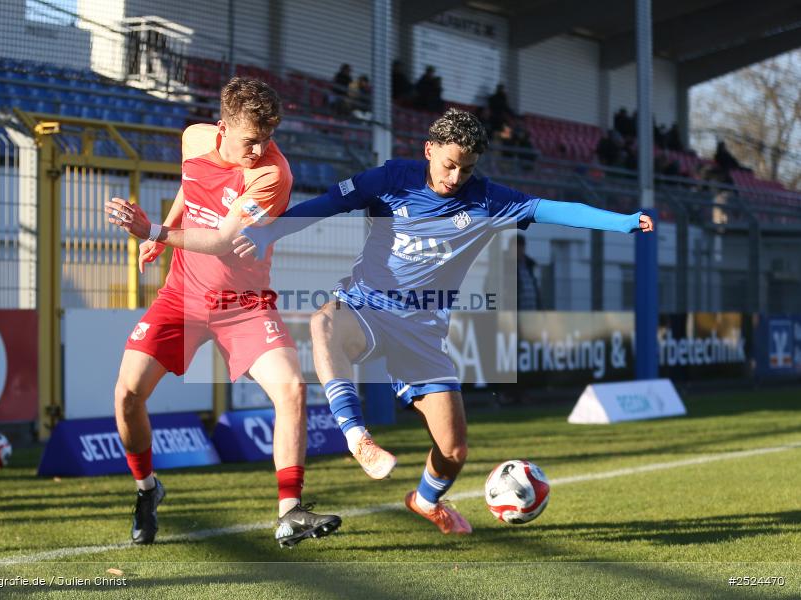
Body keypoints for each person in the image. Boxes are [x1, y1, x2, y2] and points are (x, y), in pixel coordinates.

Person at [231, 108, 654, 535]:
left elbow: (553, 209)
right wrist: (270, 232)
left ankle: (425, 500)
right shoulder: (392, 179)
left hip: (422, 331)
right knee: (323, 321)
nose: (455, 177)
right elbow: (326, 204)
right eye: (449, 165)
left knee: (453, 449)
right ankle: (356, 435)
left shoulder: (489, 200)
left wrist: (621, 222)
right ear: (429, 149)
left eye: (466, 169)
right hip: (368, 307)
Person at [103, 77, 341, 548]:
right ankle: (147, 490)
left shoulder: (273, 174)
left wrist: (151, 229)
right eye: (251, 139)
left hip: (244, 305)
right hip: (182, 297)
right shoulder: (194, 139)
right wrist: (164, 228)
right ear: (223, 127)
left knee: (292, 388)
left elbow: (219, 242)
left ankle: (290, 511)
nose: (260, 149)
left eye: (268, 138)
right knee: (127, 394)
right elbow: (191, 189)